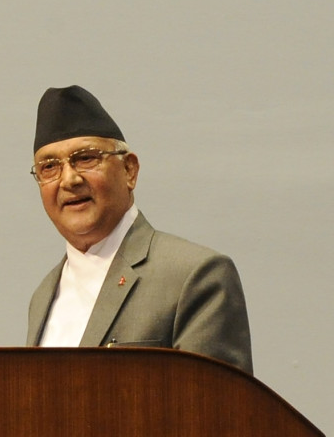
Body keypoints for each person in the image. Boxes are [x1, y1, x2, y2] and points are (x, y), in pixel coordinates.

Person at [26, 85, 253, 374]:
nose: (69, 179)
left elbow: (217, 411)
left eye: (86, 158)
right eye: (49, 167)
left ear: (129, 170)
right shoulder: (43, 294)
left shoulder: (193, 275)